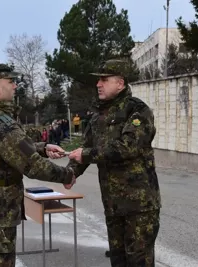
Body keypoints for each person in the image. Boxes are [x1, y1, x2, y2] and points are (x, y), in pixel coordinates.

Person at [0, 63, 75, 267]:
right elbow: (32, 165)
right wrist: (66, 175)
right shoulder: (0, 122)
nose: (15, 86)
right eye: (11, 81)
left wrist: (42, 147)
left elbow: (7, 147)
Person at [65, 58, 161, 267]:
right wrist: (70, 173)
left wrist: (86, 155)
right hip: (113, 204)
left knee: (138, 262)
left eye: (104, 80)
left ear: (120, 82)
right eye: (98, 80)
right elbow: (87, 146)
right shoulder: (98, 115)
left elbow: (128, 147)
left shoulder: (137, 111)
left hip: (139, 205)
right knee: (118, 261)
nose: (98, 84)